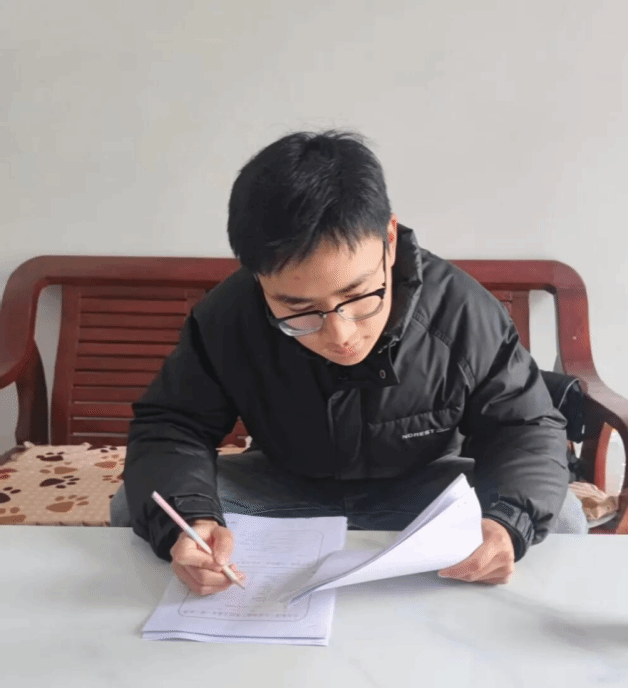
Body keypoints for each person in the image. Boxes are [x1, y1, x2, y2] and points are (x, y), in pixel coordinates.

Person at [110, 130, 587, 595]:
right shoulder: (228, 317)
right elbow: (173, 426)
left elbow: (524, 425)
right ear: (258, 279)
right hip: (284, 487)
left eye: (359, 295)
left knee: (559, 515)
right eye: (298, 310)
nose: (341, 335)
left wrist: (504, 524)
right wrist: (194, 522)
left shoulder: (460, 312)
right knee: (140, 506)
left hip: (424, 490)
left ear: (389, 239)